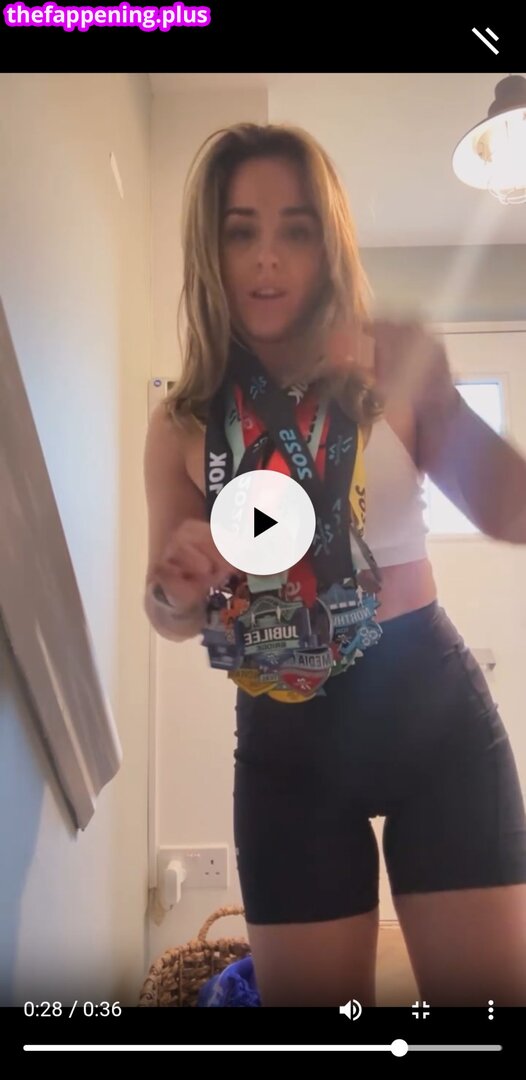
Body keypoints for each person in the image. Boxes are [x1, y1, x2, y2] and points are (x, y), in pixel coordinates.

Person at [143, 122, 526, 1007]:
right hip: (287, 741)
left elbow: (511, 512)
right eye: (241, 230)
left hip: (432, 713)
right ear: (210, 248)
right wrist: (176, 586)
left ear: (329, 243)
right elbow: (166, 614)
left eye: (296, 229)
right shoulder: (182, 422)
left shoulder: (387, 369)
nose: (268, 258)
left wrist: (438, 393)